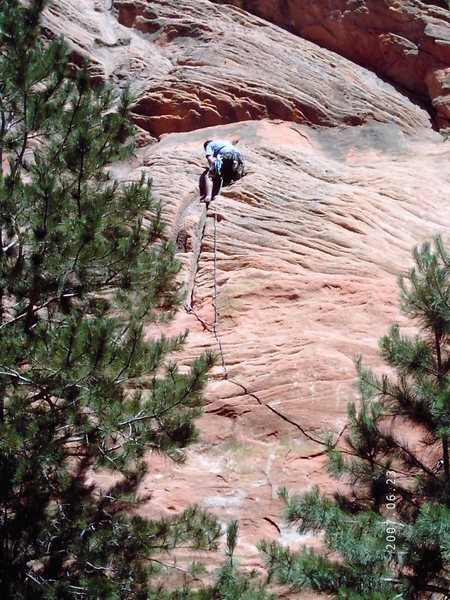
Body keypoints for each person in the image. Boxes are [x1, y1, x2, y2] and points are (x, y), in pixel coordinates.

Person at [202, 139, 245, 205]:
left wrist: (212, 168)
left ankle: (208, 197)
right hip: (238, 159)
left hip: (226, 157)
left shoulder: (209, 145)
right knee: (227, 176)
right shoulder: (225, 143)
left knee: (209, 176)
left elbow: (210, 158)